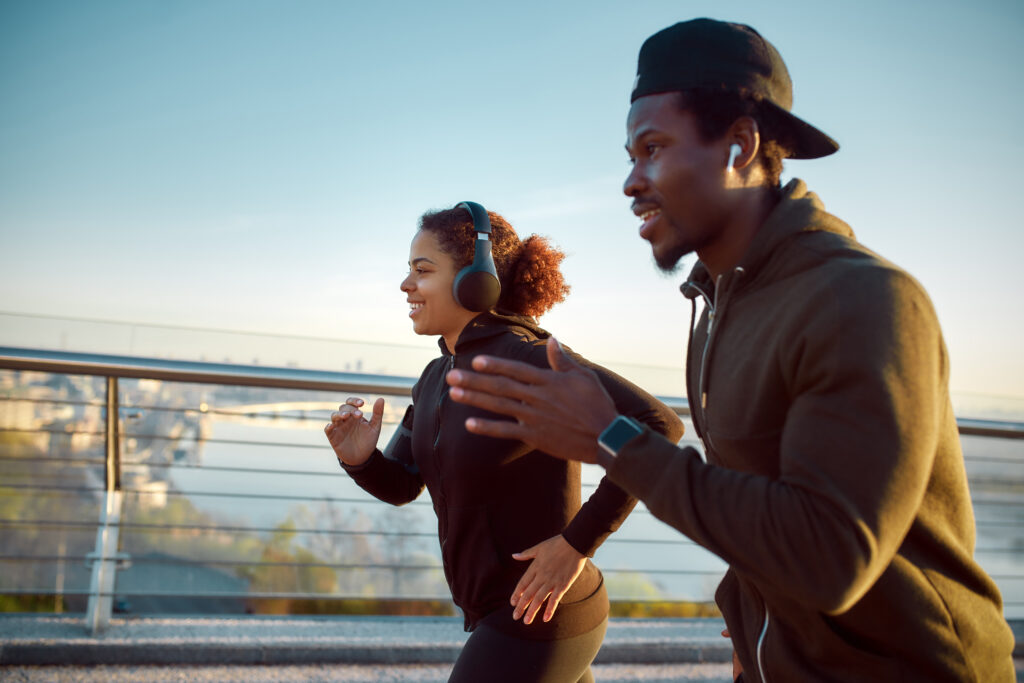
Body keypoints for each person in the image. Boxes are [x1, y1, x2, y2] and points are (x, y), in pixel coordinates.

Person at [443, 18, 1016, 683]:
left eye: (652, 148)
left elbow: (830, 558)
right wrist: (749, 618)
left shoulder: (865, 301)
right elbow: (759, 497)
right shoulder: (717, 303)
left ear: (740, 145)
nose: (631, 181)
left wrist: (612, 438)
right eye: (630, 155)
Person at [324, 203, 683, 683]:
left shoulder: (528, 358)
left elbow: (657, 425)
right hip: (506, 610)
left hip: (543, 613)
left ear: (476, 279)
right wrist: (361, 460)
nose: (406, 285)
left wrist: (577, 543)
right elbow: (404, 483)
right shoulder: (435, 377)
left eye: (422, 270)